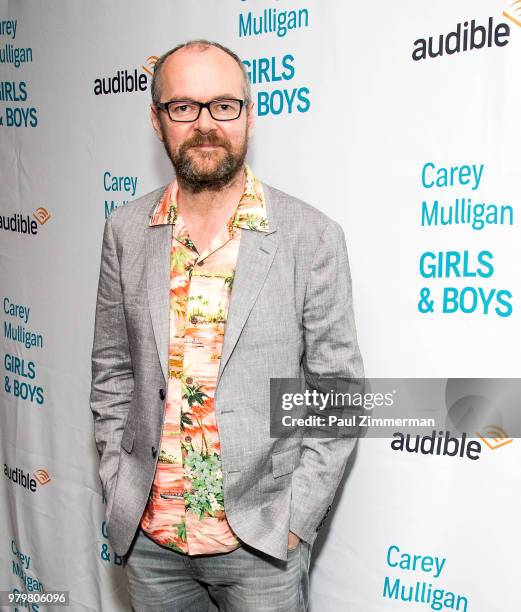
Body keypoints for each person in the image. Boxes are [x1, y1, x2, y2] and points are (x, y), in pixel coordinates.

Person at [90, 39, 364, 612]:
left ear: (250, 114)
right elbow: (113, 370)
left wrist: (293, 521)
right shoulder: (124, 229)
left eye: (224, 105)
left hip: (260, 544)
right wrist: (118, 477)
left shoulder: (310, 237)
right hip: (151, 540)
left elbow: (339, 396)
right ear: (157, 119)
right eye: (184, 107)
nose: (206, 124)